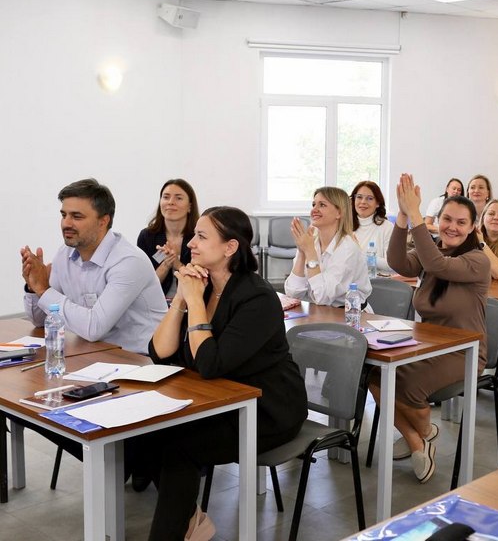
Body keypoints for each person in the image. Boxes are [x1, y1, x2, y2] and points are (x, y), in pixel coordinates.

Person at [142, 206, 308, 541]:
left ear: (230, 247)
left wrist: (195, 301)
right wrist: (181, 301)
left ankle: (177, 529)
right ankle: (190, 520)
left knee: (177, 445)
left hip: (268, 408)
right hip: (220, 400)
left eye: (202, 237)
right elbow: (159, 352)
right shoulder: (201, 286)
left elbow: (210, 363)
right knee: (146, 434)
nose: (191, 243)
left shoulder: (257, 298)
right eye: (194, 236)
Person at [376, 173, 490, 483]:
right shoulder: (433, 251)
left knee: (408, 384)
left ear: (472, 228)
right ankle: (420, 438)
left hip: (463, 353)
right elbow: (397, 262)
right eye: (447, 219)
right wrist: (402, 215)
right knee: (372, 374)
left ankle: (421, 431)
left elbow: (439, 266)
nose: (452, 227)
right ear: (437, 221)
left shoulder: (477, 260)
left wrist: (415, 215)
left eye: (461, 222)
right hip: (425, 344)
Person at [21, 178, 166, 354]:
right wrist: (33, 287)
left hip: (141, 361)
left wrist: (44, 291)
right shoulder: (64, 254)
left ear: (103, 221)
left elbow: (93, 328)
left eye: (76, 216)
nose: (66, 223)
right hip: (95, 355)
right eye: (63, 215)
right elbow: (41, 320)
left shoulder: (128, 261)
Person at [284, 186, 371, 307]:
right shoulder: (310, 239)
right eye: (314, 204)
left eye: (322, 205)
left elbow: (322, 297)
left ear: (339, 213)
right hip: (318, 313)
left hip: (349, 315)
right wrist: (302, 252)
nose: (314, 209)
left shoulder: (348, 248)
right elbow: (292, 293)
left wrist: (310, 252)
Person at [137, 178, 199, 299]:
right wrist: (166, 264)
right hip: (156, 306)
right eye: (166, 197)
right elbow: (141, 287)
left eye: (178, 198)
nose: (171, 202)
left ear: (190, 206)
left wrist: (178, 264)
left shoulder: (199, 238)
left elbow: (202, 284)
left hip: (190, 305)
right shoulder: (147, 237)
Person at [351, 181, 394, 275]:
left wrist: (361, 256)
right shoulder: (345, 226)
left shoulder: (387, 227)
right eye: (359, 197)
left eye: (369, 198)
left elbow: (391, 265)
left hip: (377, 282)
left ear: (378, 203)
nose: (363, 202)